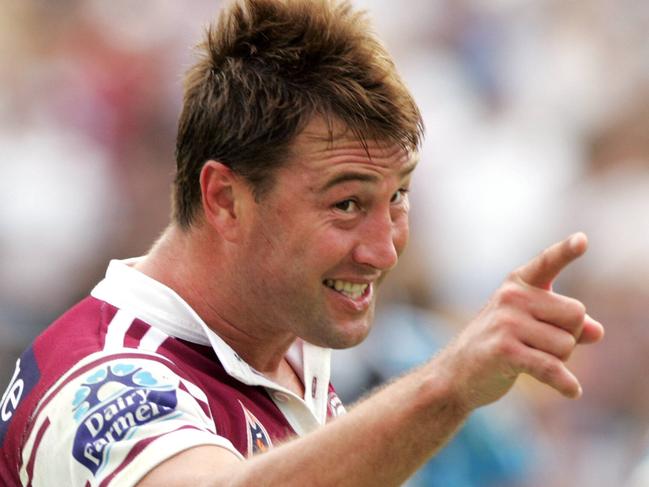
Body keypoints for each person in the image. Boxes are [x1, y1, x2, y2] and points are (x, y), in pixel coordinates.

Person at [0, 0, 604, 485]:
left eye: (397, 197)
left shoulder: (287, 342)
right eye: (346, 204)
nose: (384, 250)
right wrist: (449, 384)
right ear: (225, 199)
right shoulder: (100, 381)